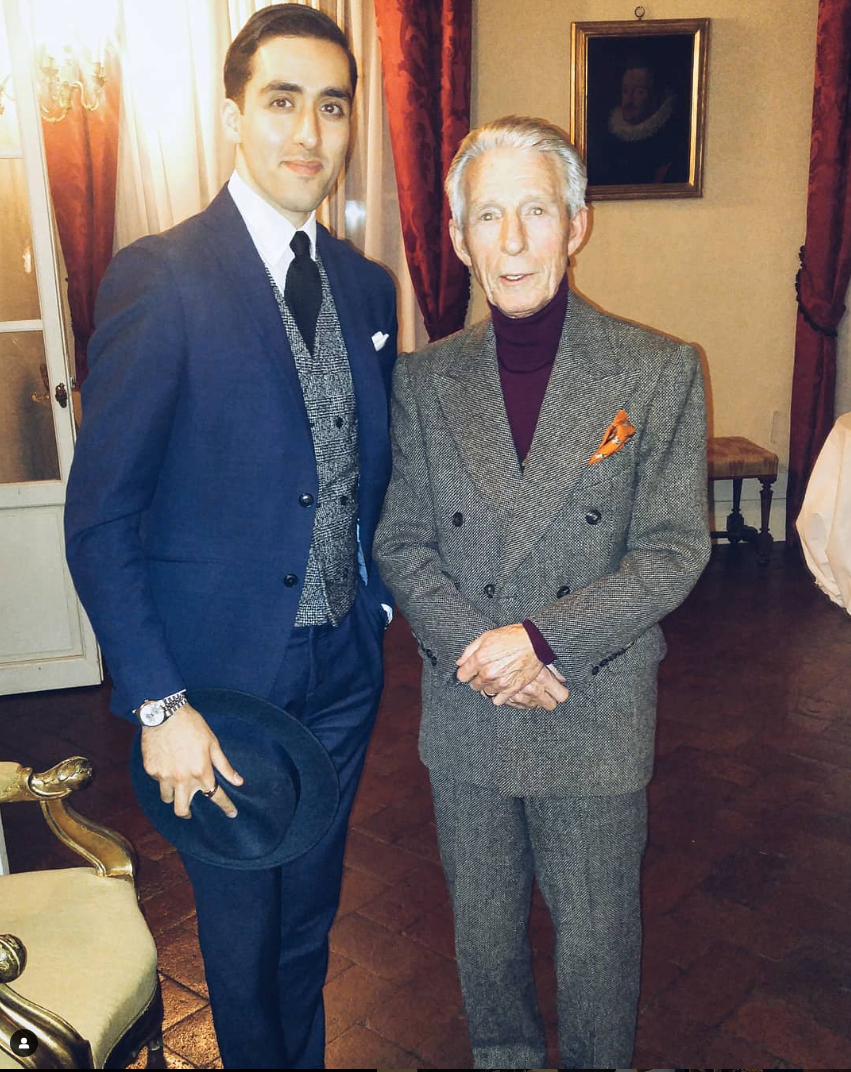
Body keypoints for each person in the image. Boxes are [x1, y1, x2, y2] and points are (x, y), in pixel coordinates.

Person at [64, 6, 397, 1068]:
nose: (308, 128)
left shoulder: (365, 287)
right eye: (281, 100)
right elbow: (100, 516)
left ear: (350, 128)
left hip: (342, 667)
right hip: (217, 694)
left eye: (330, 105)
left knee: (308, 922)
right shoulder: (160, 277)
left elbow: (358, 464)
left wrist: (374, 600)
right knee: (244, 938)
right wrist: (159, 702)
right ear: (233, 117)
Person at [373, 115, 710, 1069]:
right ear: (457, 237)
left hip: (592, 703)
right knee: (483, 942)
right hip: (469, 704)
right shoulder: (424, 381)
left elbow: (674, 547)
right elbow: (401, 537)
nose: (512, 240)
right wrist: (486, 655)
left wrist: (545, 641)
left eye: (534, 211)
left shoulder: (656, 369)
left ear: (577, 223)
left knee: (599, 945)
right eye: (488, 215)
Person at [589, 55, 689, 186]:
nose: (629, 99)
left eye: (639, 92)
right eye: (625, 91)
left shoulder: (671, 143)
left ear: (656, 98)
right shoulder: (608, 142)